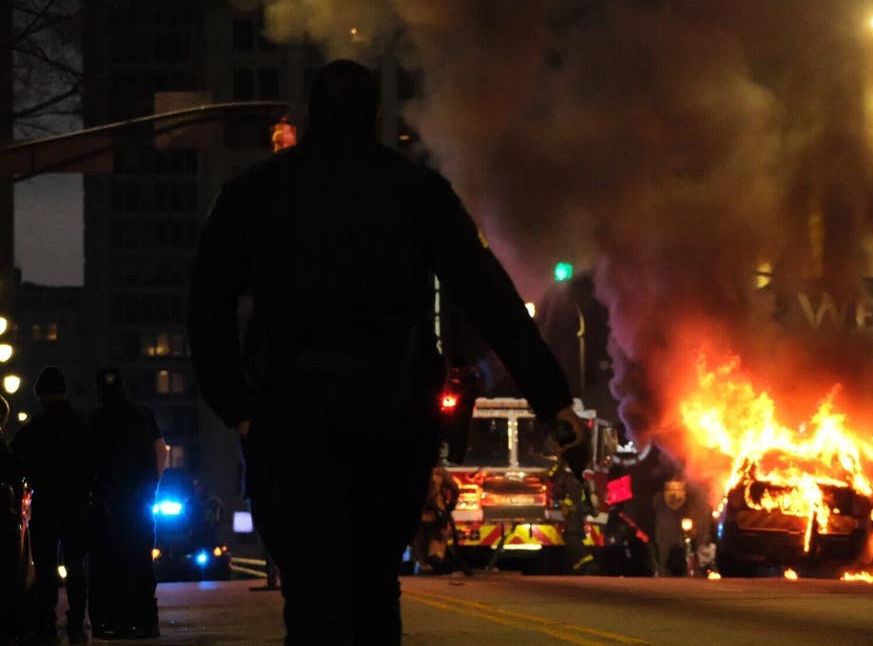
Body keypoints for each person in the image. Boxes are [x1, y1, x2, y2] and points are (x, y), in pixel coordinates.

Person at [187, 59, 586, 646]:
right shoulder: (418, 193)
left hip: (290, 421)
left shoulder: (253, 193)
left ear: (310, 116)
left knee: (310, 599)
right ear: (376, 116)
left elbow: (206, 304)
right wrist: (553, 404)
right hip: (389, 420)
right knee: (374, 591)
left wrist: (238, 405)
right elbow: (490, 299)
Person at [88, 368, 167, 639]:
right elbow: (160, 450)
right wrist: (152, 486)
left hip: (109, 502)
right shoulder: (144, 415)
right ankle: (145, 619)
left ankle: (114, 620)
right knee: (140, 558)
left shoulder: (96, 418)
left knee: (110, 561)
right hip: (140, 498)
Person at [13, 367, 90, 644]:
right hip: (77, 504)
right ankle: (77, 622)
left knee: (46, 567)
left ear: (39, 394)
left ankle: (46, 622)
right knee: (76, 565)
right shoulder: (82, 424)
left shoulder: (33, 429)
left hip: (46, 503)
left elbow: (17, 461)